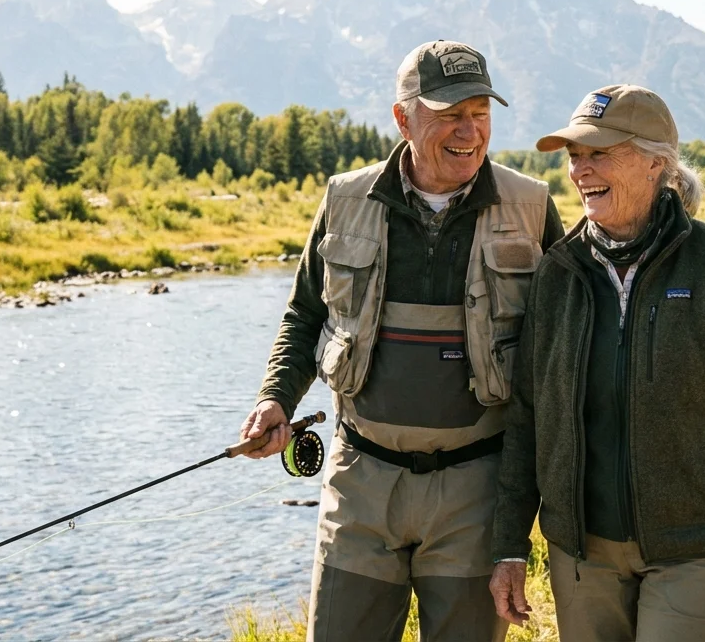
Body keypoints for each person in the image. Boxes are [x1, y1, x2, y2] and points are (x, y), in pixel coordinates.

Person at [239, 40, 566, 642]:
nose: (469, 131)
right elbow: (304, 314)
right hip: (361, 481)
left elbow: (564, 351)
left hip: (478, 490)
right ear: (402, 117)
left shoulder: (532, 207)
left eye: (481, 113)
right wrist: (275, 398)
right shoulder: (346, 200)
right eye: (448, 114)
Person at [488, 84, 705, 641]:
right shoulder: (558, 273)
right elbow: (528, 417)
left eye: (599, 152)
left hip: (697, 551)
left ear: (658, 162)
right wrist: (510, 545)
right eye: (574, 155)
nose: (580, 169)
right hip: (581, 555)